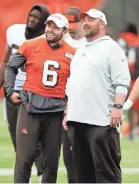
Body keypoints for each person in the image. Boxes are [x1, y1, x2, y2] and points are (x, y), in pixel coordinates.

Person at [5, 13, 76, 183]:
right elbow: (11, 66)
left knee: (51, 161)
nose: (50, 30)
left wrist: (70, 107)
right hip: (31, 108)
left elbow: (78, 83)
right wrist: (10, 90)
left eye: (55, 27)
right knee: (25, 158)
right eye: (48, 25)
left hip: (56, 111)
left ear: (64, 31)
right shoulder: (30, 45)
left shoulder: (73, 53)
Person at [63, 9, 131, 183]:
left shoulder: (111, 48)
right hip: (77, 119)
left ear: (102, 23)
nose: (85, 22)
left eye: (90, 19)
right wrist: (67, 112)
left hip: (101, 121)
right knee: (82, 174)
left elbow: (122, 81)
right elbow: (73, 85)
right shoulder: (80, 50)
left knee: (106, 173)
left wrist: (117, 107)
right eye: (83, 20)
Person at [0, 4, 50, 181]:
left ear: (44, 22)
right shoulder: (14, 31)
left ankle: (42, 174)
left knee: (31, 140)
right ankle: (25, 176)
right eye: (31, 15)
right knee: (16, 137)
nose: (32, 19)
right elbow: (6, 61)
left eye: (37, 17)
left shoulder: (47, 39)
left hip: (32, 93)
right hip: (12, 92)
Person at [63, 7, 86, 183]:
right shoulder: (61, 40)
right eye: (69, 23)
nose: (71, 27)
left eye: (74, 23)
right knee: (67, 154)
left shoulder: (90, 43)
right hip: (62, 102)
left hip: (84, 103)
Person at [117, 23, 139, 139]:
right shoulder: (135, 41)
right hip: (132, 76)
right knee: (133, 107)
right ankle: (132, 132)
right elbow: (132, 60)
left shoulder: (120, 39)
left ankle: (119, 130)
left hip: (119, 75)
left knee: (119, 103)